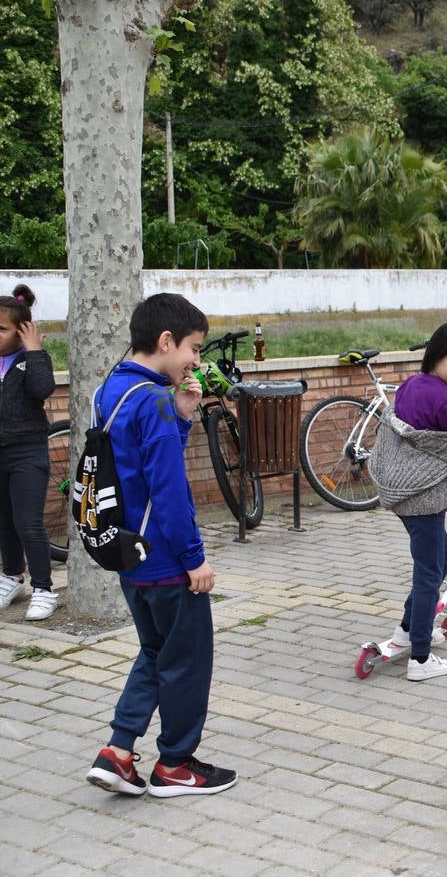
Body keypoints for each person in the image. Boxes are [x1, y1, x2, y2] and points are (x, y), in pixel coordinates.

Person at [85, 293, 235, 798]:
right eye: (193, 348)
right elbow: (169, 491)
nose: (196, 360)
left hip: (128, 554)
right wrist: (195, 559)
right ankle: (176, 765)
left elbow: (135, 471)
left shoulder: (111, 389)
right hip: (168, 560)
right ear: (166, 341)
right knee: (188, 659)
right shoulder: (151, 402)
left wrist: (184, 416)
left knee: (155, 651)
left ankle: (119, 750)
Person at [369, 322, 447, 681]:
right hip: (423, 497)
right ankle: (420, 658)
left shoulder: (410, 385)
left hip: (405, 494)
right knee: (428, 574)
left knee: (442, 557)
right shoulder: (445, 398)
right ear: (436, 356)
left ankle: (408, 629)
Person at [0, 284, 58, 620]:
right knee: (5, 522)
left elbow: (42, 389)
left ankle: (43, 587)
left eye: (2, 329)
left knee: (27, 522)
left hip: (27, 453)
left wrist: (34, 351)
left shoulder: (30, 361)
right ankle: (11, 577)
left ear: (22, 331)